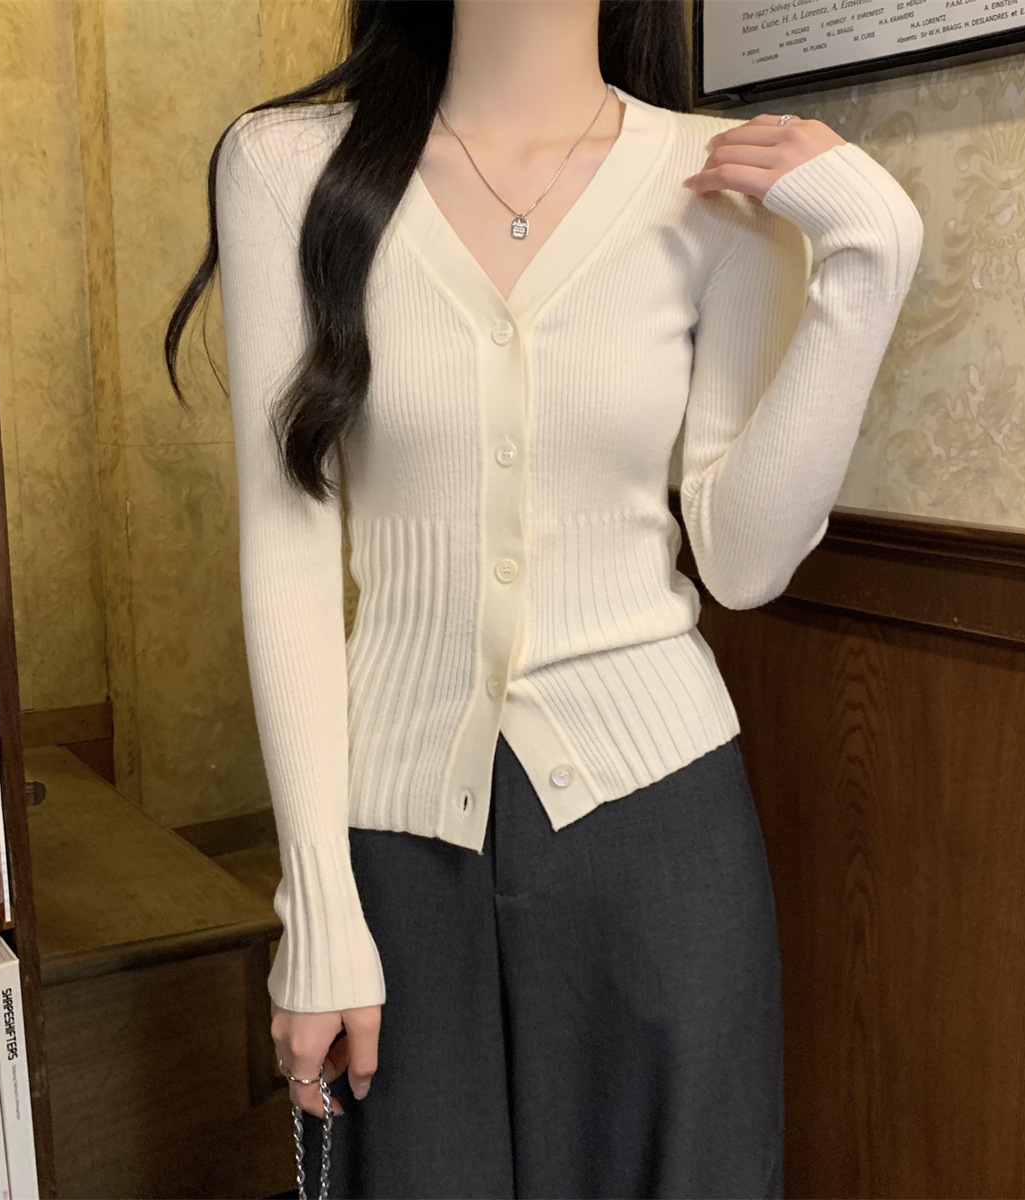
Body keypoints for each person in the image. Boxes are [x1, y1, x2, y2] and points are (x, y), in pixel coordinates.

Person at [164, 2, 923, 1196]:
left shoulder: (718, 180)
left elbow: (743, 561)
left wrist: (872, 256)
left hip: (662, 831)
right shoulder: (287, 166)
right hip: (396, 841)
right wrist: (316, 905)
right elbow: (287, 544)